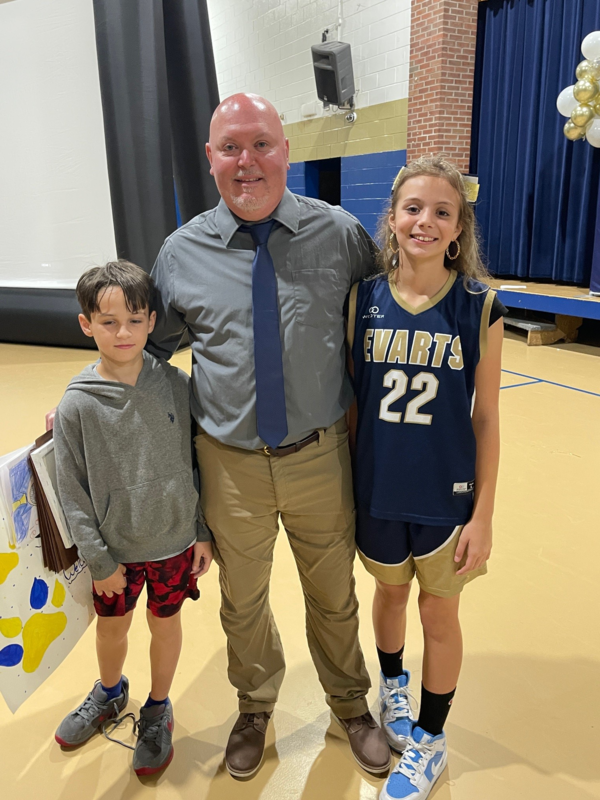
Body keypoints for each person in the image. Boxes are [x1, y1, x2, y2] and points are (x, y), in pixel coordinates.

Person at [147, 93, 391, 778]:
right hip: (229, 465)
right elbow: (151, 355)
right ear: (210, 159)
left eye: (261, 144)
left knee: (333, 592)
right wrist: (91, 398)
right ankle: (254, 706)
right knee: (241, 601)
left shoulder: (339, 235)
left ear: (286, 149)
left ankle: (350, 704)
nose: (247, 162)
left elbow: (384, 328)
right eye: (231, 148)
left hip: (321, 457)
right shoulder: (181, 252)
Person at [347, 156, 505, 800]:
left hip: (447, 497)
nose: (425, 221)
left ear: (459, 228)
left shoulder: (480, 306)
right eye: (413, 208)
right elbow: (354, 404)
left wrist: (485, 514)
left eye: (443, 211)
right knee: (388, 598)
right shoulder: (364, 297)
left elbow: (488, 419)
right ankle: (393, 688)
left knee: (440, 615)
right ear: (391, 218)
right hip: (378, 491)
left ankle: (433, 740)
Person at [52, 261, 213, 776]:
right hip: (114, 554)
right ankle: (108, 692)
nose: (123, 333)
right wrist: (99, 562)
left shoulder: (176, 386)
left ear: (152, 321)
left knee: (165, 625)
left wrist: (202, 532)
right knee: (112, 629)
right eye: (108, 321)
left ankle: (158, 706)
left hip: (173, 544)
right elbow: (70, 490)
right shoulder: (77, 404)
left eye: (135, 320)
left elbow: (199, 462)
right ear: (86, 324)